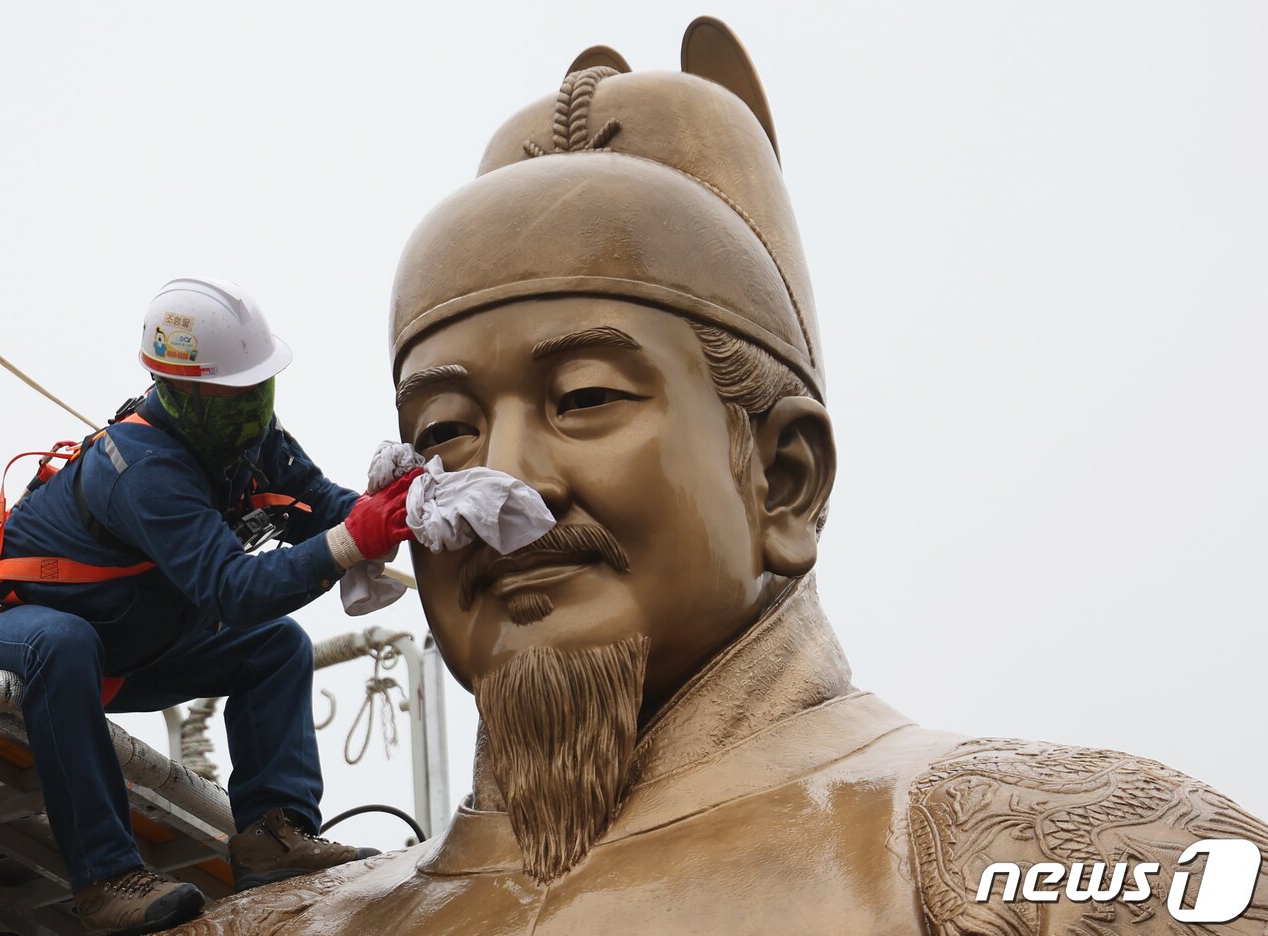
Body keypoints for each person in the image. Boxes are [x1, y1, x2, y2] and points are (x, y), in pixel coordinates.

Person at [174, 18, 1268, 936]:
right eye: (447, 430)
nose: (504, 490)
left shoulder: (1065, 851)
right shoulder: (276, 925)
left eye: (586, 399)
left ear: (784, 479)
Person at [0, 276, 416, 935]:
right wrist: (350, 540)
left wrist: (404, 504)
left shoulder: (251, 444)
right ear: (182, 391)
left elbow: (328, 514)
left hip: (119, 647)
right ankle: (107, 878)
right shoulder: (144, 468)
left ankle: (273, 836)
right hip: (9, 633)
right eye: (234, 392)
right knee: (63, 641)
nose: (252, 405)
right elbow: (234, 591)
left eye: (258, 386)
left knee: (275, 647)